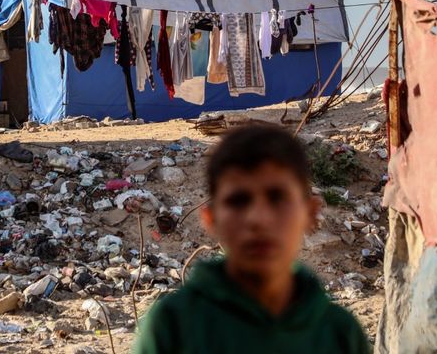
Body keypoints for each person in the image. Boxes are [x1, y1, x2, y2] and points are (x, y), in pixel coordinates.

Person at [134, 125, 369, 354]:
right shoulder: (174, 326)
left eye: (277, 198)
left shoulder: (339, 332)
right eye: (238, 201)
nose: (259, 219)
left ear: (310, 214)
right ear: (211, 219)